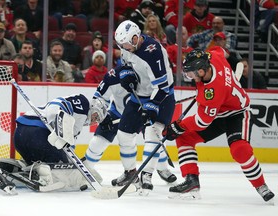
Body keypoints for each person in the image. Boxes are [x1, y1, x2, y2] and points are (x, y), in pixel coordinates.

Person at [162, 48, 275, 202]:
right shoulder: (213, 56)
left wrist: (178, 126)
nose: (189, 76)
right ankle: (191, 181)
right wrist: (236, 62)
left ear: (201, 71)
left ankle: (261, 185)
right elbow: (223, 50)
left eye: (191, 73)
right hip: (218, 113)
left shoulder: (212, 92)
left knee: (240, 149)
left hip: (237, 114)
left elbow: (202, 122)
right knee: (185, 138)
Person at [111, 20, 175, 196]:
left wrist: (152, 105)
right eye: (120, 45)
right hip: (139, 94)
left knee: (152, 133)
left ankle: (147, 175)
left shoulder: (153, 51)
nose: (123, 47)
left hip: (162, 96)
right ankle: (131, 173)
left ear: (134, 37)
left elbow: (162, 87)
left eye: (125, 44)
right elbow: (125, 64)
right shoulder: (127, 46)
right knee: (123, 133)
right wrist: (126, 73)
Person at [83, 66, 177, 184]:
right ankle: (84, 170)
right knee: (98, 142)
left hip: (144, 111)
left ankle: (163, 169)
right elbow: (99, 98)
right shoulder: (112, 76)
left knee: (154, 139)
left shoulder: (149, 72)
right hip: (118, 113)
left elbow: (162, 90)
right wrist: (104, 115)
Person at [13, 94, 108, 191]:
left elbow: (67, 141)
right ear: (92, 108)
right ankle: (43, 173)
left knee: (45, 162)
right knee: (64, 169)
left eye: (97, 120)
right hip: (38, 136)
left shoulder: (73, 113)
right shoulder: (83, 104)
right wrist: (70, 163)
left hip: (19, 137)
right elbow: (56, 108)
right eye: (96, 115)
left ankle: (23, 168)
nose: (94, 121)